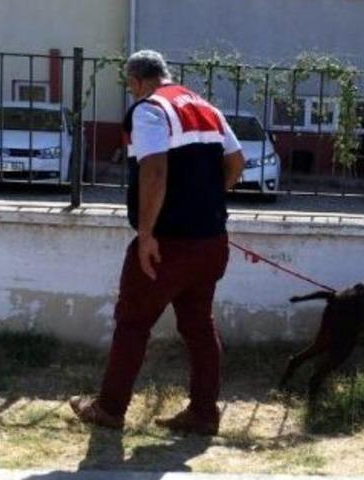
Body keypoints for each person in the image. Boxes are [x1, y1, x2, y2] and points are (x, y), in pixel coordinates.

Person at [70, 50, 245, 436]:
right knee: (199, 326)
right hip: (212, 240)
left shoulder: (150, 110)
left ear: (135, 81)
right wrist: (207, 202)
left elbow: (153, 171)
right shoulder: (206, 108)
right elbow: (236, 163)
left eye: (130, 86)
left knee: (132, 323)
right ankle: (203, 412)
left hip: (167, 244)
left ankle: (110, 409)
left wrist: (147, 234)